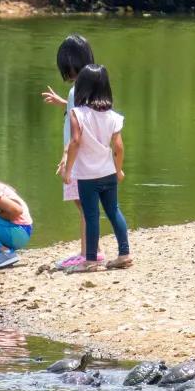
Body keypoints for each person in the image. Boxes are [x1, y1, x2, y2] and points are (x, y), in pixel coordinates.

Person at [62, 64, 132, 273]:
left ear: (82, 87)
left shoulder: (77, 113)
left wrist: (68, 170)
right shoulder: (113, 116)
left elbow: (75, 142)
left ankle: (91, 260)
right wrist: (118, 170)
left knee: (92, 216)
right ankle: (124, 253)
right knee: (114, 211)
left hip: (87, 176)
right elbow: (118, 147)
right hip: (108, 172)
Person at [42, 33, 99, 269]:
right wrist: (63, 103)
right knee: (83, 203)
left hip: (78, 156)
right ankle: (92, 248)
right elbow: (90, 113)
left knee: (83, 204)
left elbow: (79, 127)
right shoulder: (89, 87)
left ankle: (89, 253)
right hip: (83, 154)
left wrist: (67, 157)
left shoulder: (77, 90)